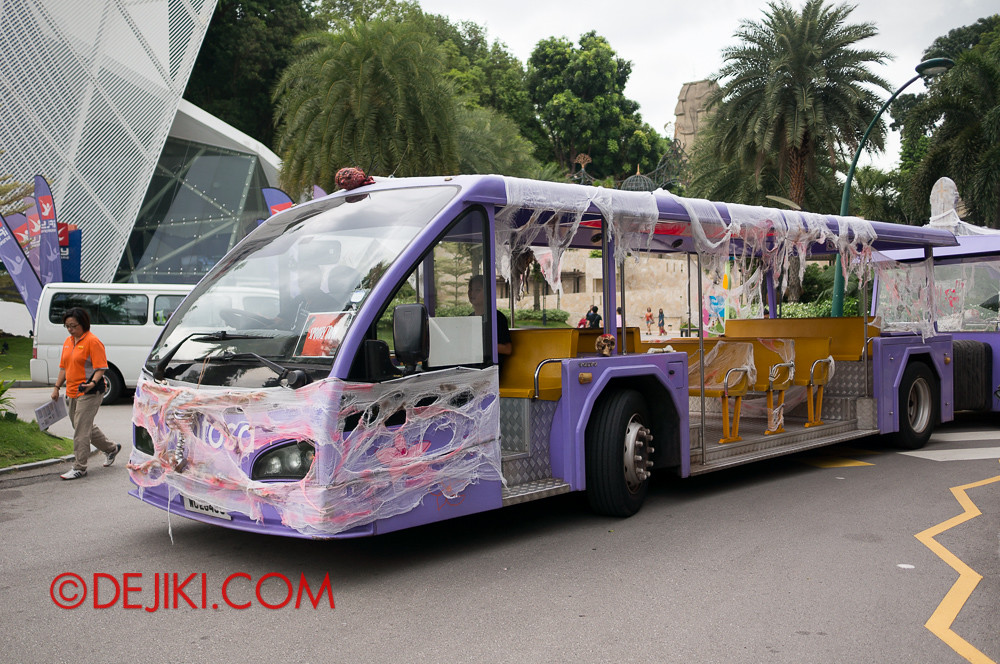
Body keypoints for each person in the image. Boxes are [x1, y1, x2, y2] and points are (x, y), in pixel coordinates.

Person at [51, 307, 120, 480]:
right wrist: (57, 387)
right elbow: (64, 368)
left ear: (83, 324)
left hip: (90, 392)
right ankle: (111, 448)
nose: (70, 329)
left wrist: (91, 384)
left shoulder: (92, 341)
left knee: (81, 429)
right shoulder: (68, 341)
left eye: (73, 326)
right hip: (72, 391)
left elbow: (101, 368)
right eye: (67, 326)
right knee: (81, 425)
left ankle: (79, 467)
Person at [467, 275, 512, 358]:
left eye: (477, 290)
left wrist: (482, 345)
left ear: (487, 292)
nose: (472, 293)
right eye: (470, 289)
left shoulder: (497, 318)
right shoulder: (469, 318)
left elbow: (507, 349)